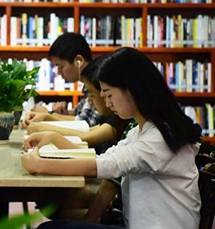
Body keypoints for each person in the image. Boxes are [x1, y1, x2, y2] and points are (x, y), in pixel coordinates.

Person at [21, 47, 202, 229]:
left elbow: (104, 166)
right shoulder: (143, 130)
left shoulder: (159, 138)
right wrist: (53, 139)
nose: (107, 103)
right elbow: (103, 159)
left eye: (109, 94)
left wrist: (40, 164)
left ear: (132, 90)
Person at [25, 33, 100, 127]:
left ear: (79, 61)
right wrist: (65, 113)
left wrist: (48, 115)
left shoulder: (97, 81)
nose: (59, 73)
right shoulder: (88, 83)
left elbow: (84, 123)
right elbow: (79, 114)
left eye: (61, 66)